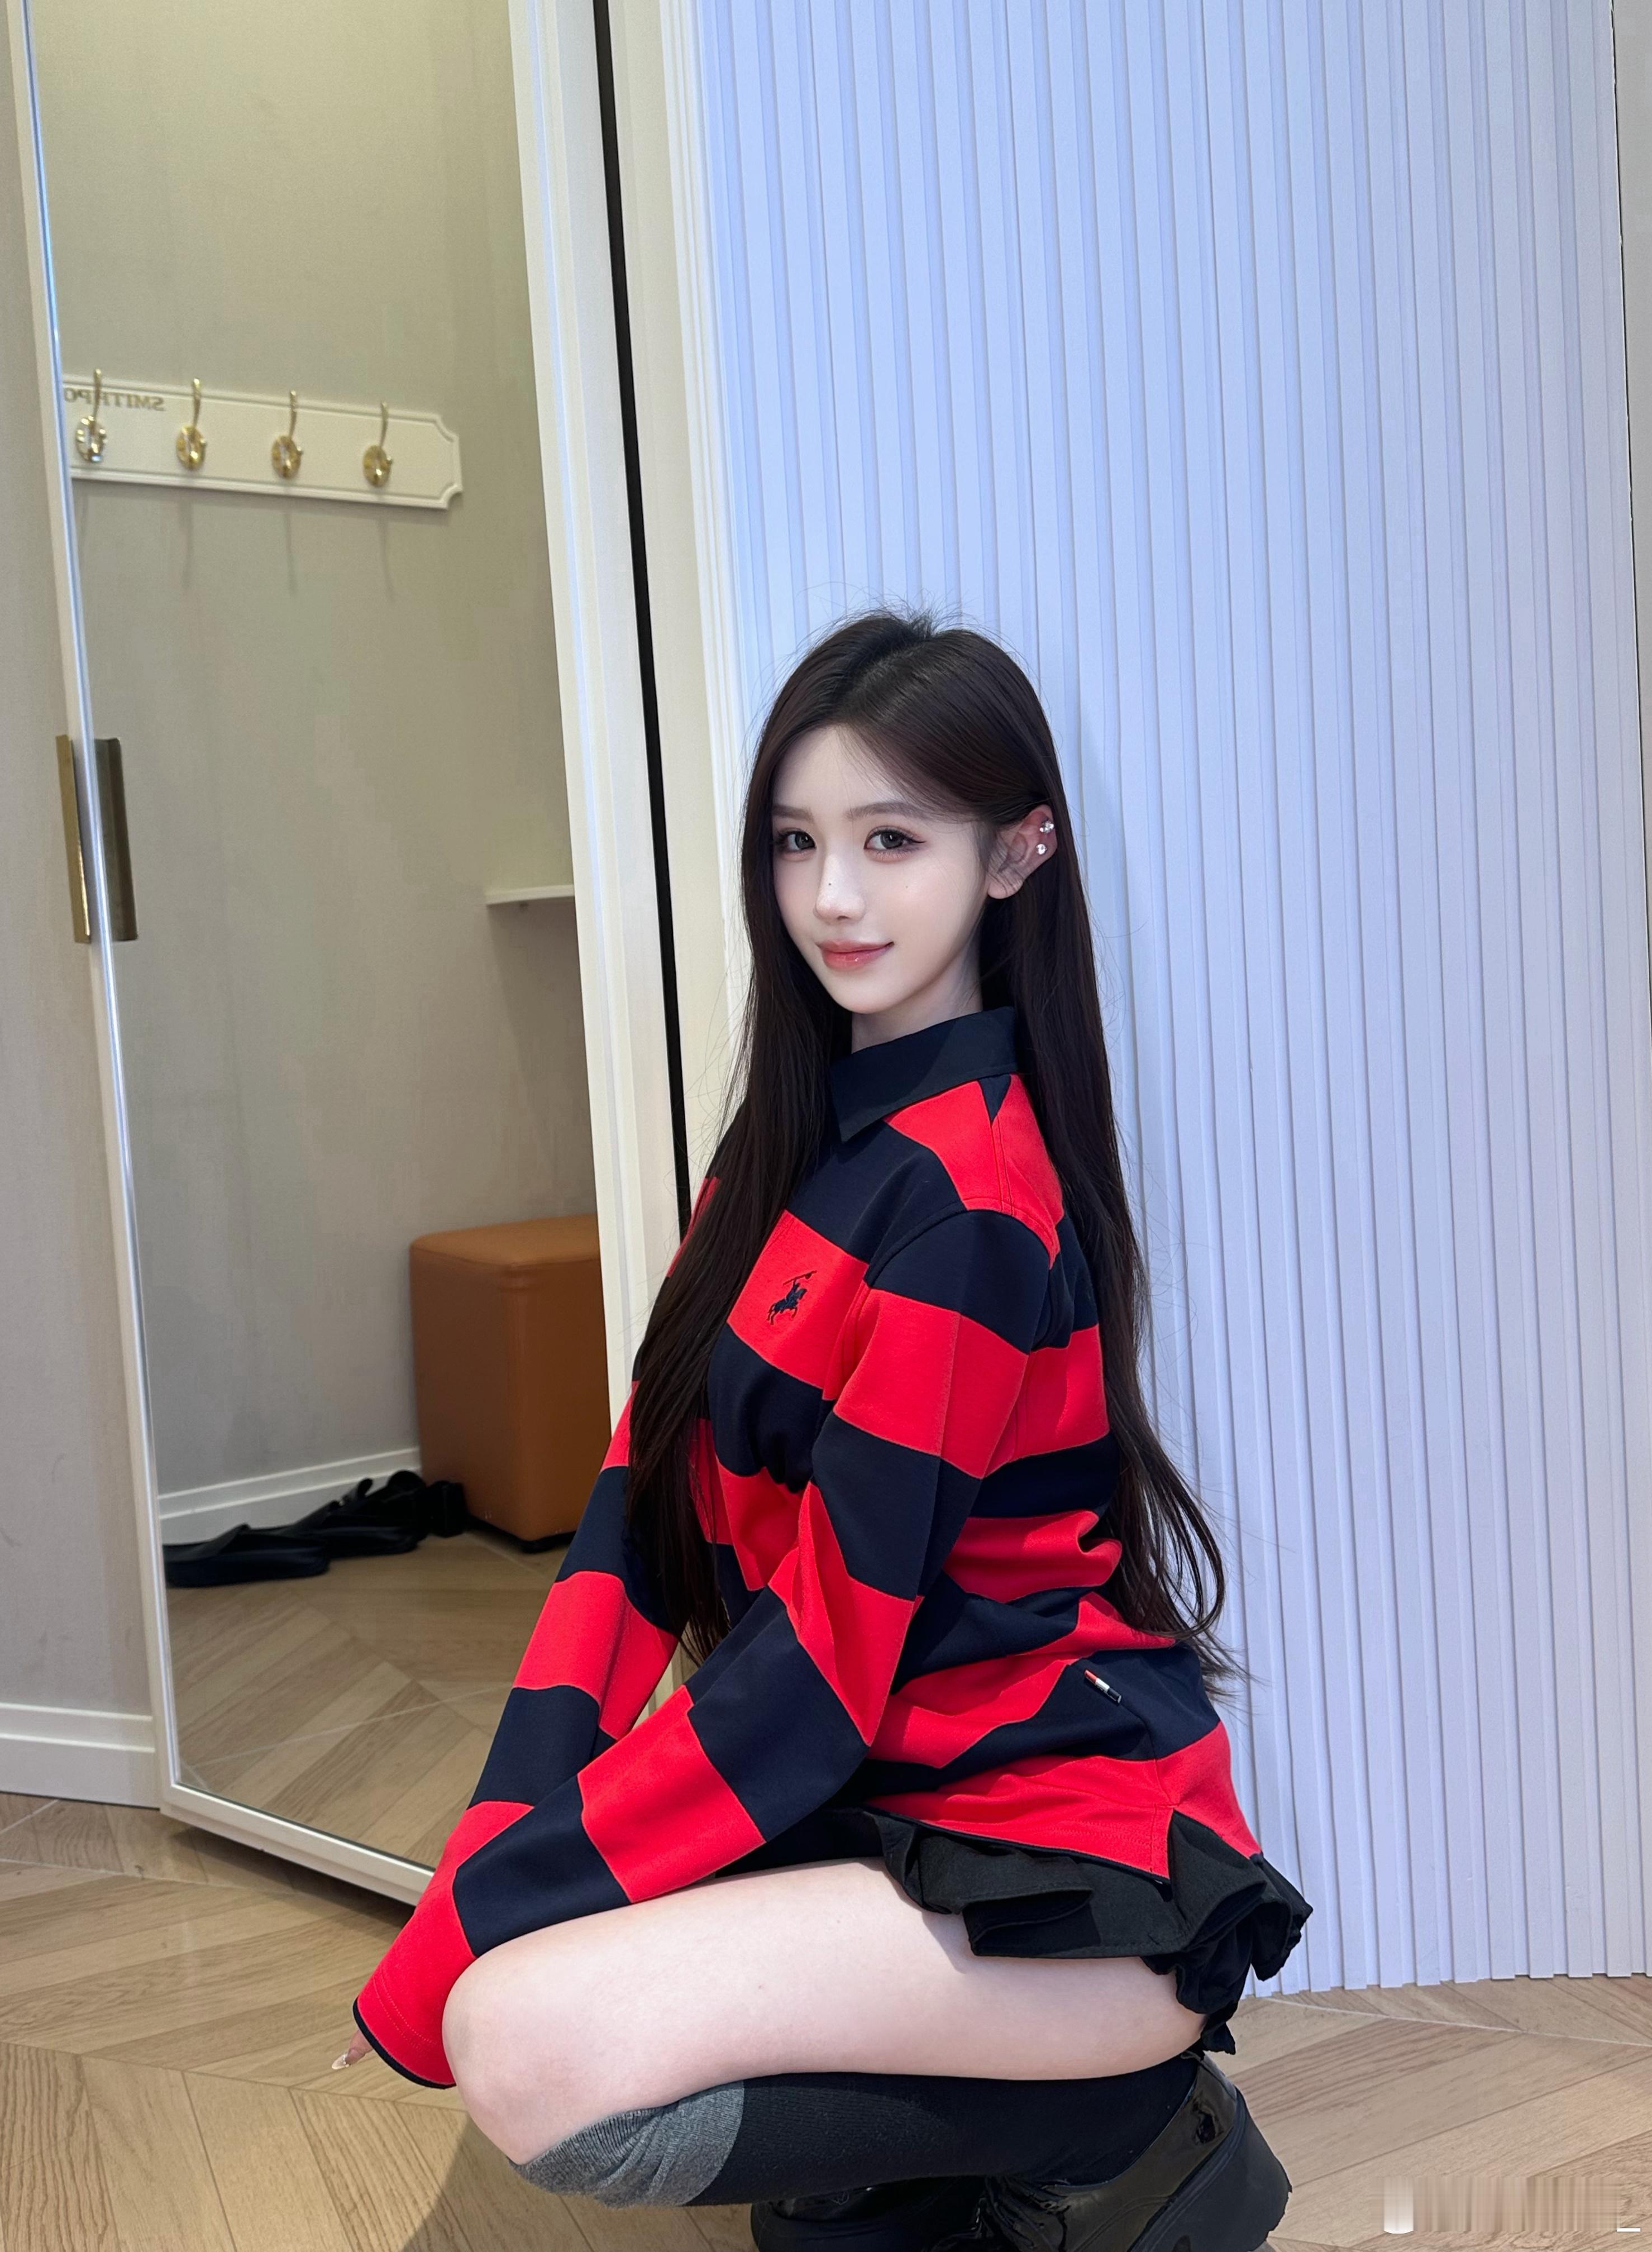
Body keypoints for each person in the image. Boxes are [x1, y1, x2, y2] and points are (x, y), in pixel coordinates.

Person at [336, 609, 1312, 2252]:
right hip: (871, 1801)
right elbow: (629, 1535)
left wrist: (475, 1921)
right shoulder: (778, 1158)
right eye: (797, 843)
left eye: (890, 841)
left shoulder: (973, 1204)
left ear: (1017, 854)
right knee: (521, 1957)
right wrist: (499, 1846)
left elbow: (819, 1666)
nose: (833, 898)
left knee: (518, 2039)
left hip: (1053, 1863)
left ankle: (1125, 2132)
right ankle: (909, 2183)